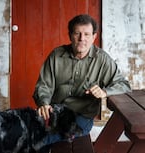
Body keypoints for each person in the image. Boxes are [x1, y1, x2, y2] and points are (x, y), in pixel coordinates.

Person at [33, 14, 131, 147]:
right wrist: (43, 103)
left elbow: (124, 85)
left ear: (94, 37)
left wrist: (104, 92)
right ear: (70, 35)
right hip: (54, 113)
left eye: (87, 34)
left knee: (39, 140)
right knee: (26, 129)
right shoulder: (56, 55)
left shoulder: (102, 60)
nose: (81, 39)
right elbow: (44, 85)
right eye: (77, 33)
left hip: (81, 117)